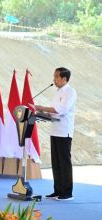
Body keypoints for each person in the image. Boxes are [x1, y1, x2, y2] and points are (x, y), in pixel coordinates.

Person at [35, 67, 76, 201]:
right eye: (54, 76)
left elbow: (61, 110)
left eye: (57, 77)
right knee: (56, 162)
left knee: (64, 162)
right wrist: (43, 114)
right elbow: (54, 112)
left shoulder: (70, 92)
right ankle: (58, 190)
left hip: (64, 131)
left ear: (64, 78)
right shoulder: (57, 92)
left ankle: (67, 192)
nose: (54, 79)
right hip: (55, 130)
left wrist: (41, 108)